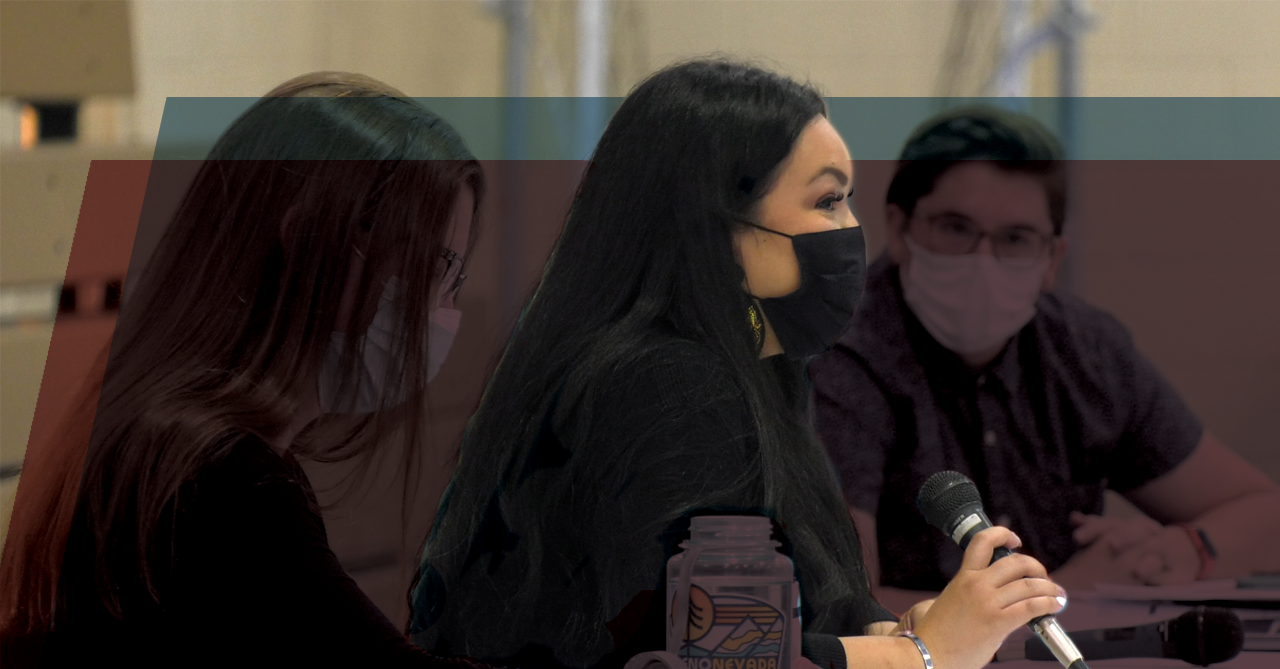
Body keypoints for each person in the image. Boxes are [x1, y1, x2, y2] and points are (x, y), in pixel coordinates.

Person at [410, 60, 1066, 669]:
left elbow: (782, 608)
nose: (851, 230)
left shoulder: (752, 371)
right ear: (721, 229)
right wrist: (925, 654)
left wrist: (884, 633)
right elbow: (715, 653)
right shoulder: (665, 382)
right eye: (827, 201)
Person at [0, 72, 488, 667]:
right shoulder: (224, 484)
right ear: (309, 240)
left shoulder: (175, 443)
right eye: (436, 268)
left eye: (456, 278)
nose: (445, 309)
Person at [809, 106, 1280, 613]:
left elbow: (1265, 514)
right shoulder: (841, 353)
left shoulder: (1085, 353)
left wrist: (1177, 552)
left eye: (1015, 239)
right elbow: (843, 608)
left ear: (1052, 259)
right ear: (899, 229)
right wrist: (1059, 594)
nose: (983, 260)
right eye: (955, 228)